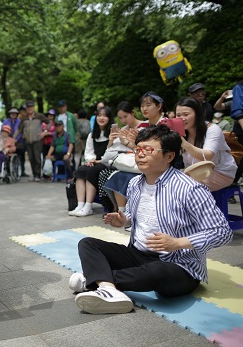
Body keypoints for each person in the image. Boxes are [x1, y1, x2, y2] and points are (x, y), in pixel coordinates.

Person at [69, 125, 232, 315]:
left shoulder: (190, 188)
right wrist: (124, 220)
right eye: (138, 149)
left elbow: (222, 232)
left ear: (169, 156)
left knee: (158, 272)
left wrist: (177, 243)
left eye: (148, 150)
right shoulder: (135, 183)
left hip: (178, 265)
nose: (140, 154)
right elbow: (132, 215)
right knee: (88, 244)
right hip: (138, 255)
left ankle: (95, 280)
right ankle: (108, 287)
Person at [176, 97, 236, 191]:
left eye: (186, 114)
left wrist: (185, 144)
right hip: (196, 173)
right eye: (178, 115)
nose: (181, 118)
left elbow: (207, 156)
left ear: (197, 114)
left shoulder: (212, 129)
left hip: (220, 173)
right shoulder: (181, 133)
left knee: (184, 188)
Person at [68, 106, 113, 217]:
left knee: (93, 171)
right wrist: (90, 160)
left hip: (106, 163)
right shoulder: (92, 135)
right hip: (95, 162)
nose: (101, 118)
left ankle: (88, 206)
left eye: (105, 115)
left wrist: (99, 160)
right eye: (99, 115)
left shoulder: (113, 135)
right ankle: (80, 204)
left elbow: (111, 153)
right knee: (81, 170)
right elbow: (88, 152)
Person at [103, 101, 143, 215]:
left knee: (116, 175)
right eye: (120, 118)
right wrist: (111, 141)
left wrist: (126, 142)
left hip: (136, 163)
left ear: (133, 113)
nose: (123, 120)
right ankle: (120, 210)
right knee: (107, 173)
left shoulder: (143, 127)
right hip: (124, 163)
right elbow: (109, 153)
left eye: (125, 116)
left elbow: (140, 148)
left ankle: (121, 210)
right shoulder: (123, 130)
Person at [16, 100, 49, 181]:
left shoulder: (39, 116)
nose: (30, 109)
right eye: (28, 107)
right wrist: (14, 138)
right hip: (28, 141)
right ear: (26, 109)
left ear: (34, 107)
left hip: (37, 140)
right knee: (31, 158)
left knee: (37, 157)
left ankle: (38, 175)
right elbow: (19, 129)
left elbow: (49, 122)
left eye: (31, 107)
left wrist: (45, 132)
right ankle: (34, 174)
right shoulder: (24, 118)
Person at [41, 109, 56, 178]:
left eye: (52, 115)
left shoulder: (54, 124)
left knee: (51, 157)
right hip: (44, 143)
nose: (50, 117)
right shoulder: (43, 124)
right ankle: (45, 173)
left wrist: (49, 133)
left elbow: (55, 132)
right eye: (49, 115)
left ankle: (52, 173)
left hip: (51, 143)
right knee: (44, 157)